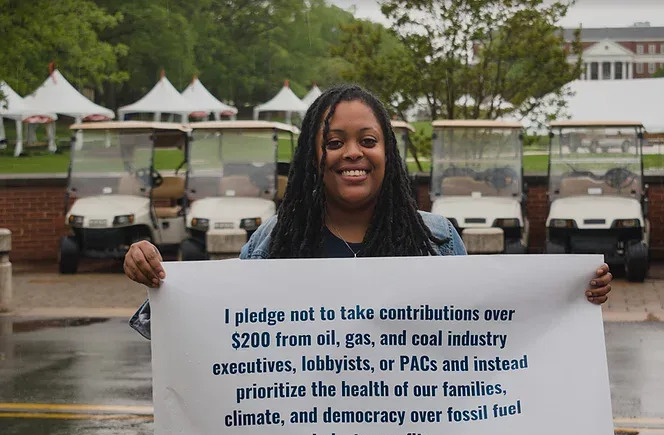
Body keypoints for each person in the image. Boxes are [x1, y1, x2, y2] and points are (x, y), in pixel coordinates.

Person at [125, 84, 612, 338]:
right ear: (312, 159)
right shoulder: (274, 242)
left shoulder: (438, 239)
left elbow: (486, 328)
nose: (352, 153)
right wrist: (156, 279)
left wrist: (571, 294)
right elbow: (210, 324)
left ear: (389, 155)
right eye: (334, 142)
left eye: (368, 141)